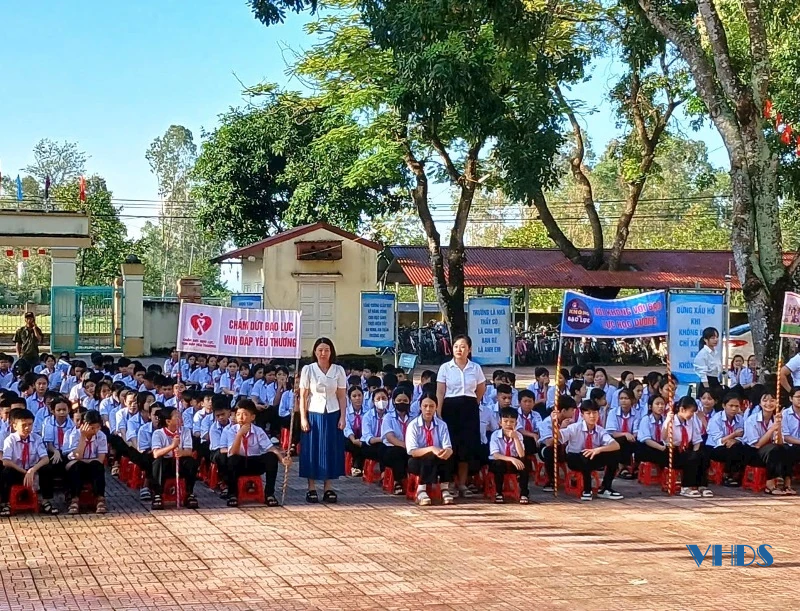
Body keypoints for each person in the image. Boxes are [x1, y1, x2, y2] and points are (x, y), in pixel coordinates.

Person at [436, 335, 486, 497]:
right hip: (450, 408)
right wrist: (439, 412)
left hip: (469, 409)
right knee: (451, 446)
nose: (459, 349)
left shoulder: (475, 368)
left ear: (469, 349)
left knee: (467, 448)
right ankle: (449, 483)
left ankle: (463, 484)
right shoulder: (445, 368)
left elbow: (480, 388)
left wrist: (473, 403)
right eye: (456, 346)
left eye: (463, 346)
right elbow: (441, 391)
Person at [299, 337, 347, 504]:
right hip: (314, 413)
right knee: (312, 449)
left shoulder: (338, 370)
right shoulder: (308, 370)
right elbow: (303, 395)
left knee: (330, 449)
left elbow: (341, 396)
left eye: (326, 350)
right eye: (320, 350)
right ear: (315, 352)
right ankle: (311, 487)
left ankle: (328, 487)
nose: (323, 353)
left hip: (332, 414)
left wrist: (342, 416)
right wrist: (303, 418)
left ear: (331, 352)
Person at [222, 399, 291, 507]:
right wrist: (239, 435)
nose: (240, 418)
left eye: (245, 414)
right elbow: (233, 451)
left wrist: (282, 459)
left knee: (271, 457)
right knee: (232, 459)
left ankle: (269, 494)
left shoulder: (258, 431)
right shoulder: (231, 431)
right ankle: (232, 494)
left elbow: (270, 447)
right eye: (238, 414)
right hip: (239, 463)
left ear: (252, 417)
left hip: (254, 462)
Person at [559, 401, 623, 501]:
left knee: (614, 453)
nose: (592, 416)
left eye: (595, 413)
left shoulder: (600, 430)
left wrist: (598, 449)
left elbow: (615, 445)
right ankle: (586, 489)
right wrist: (554, 422)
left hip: (592, 457)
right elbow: (559, 436)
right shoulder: (575, 427)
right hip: (575, 458)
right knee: (585, 455)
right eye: (588, 413)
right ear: (582, 415)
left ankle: (605, 487)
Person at [0, 407, 57, 515]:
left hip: (32, 471)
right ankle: (5, 503)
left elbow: (45, 459)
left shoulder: (37, 438)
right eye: (24, 425)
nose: (27, 428)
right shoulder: (10, 440)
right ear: (15, 426)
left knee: (47, 468)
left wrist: (32, 470)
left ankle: (46, 501)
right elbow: (6, 461)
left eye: (30, 424)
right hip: (18, 471)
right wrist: (24, 472)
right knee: (6, 471)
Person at [405, 392, 454, 506]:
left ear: (436, 407)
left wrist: (447, 451)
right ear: (420, 407)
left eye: (431, 406)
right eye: (425, 406)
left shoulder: (442, 425)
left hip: (437, 457)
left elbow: (448, 445)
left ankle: (444, 489)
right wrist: (431, 448)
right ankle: (421, 490)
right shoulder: (413, 425)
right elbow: (412, 451)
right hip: (417, 460)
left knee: (448, 457)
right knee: (428, 457)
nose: (428, 409)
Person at [743, 390, 791, 495]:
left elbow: (781, 442)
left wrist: (778, 428)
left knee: (786, 448)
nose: (768, 404)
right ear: (760, 403)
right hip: (753, 453)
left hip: (772, 451)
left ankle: (787, 484)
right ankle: (769, 485)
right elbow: (757, 444)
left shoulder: (776, 419)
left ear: (776, 403)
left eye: (772, 400)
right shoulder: (752, 420)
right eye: (765, 401)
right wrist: (771, 429)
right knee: (774, 449)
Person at [150, 406, 198, 510]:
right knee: (158, 462)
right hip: (166, 464)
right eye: (177, 416)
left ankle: (189, 493)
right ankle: (158, 494)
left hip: (180, 462)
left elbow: (189, 451)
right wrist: (172, 446)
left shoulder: (185, 431)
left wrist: (182, 452)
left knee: (191, 462)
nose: (180, 418)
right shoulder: (158, 433)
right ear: (168, 421)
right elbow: (156, 453)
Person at [662, 396, 710, 498]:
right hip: (673, 451)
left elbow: (697, 440)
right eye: (691, 411)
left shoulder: (691, 421)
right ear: (682, 409)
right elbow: (663, 437)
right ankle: (686, 487)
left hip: (687, 449)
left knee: (702, 455)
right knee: (690, 457)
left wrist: (696, 452)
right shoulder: (671, 420)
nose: (692, 415)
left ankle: (701, 485)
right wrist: (667, 422)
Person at [64, 410, 108, 514]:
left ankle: (100, 499)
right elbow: (77, 456)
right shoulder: (74, 434)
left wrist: (86, 461)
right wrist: (83, 437)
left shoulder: (101, 436)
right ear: (84, 425)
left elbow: (100, 459)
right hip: (76, 465)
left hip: (92, 465)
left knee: (97, 466)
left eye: (98, 427)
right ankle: (74, 499)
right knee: (78, 466)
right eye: (92, 428)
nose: (95, 430)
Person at [489, 406, 530, 504]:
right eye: (505, 421)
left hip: (514, 462)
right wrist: (511, 459)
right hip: (500, 461)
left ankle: (524, 493)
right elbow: (495, 454)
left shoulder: (518, 435)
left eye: (511, 422)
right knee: (498, 464)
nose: (508, 424)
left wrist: (515, 438)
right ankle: (499, 492)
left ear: (516, 423)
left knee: (525, 463)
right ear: (500, 422)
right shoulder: (495, 435)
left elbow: (521, 454)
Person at [703, 392, 745, 487]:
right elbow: (719, 441)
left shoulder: (740, 419)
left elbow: (743, 435)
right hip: (714, 447)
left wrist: (736, 440)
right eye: (731, 405)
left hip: (732, 445)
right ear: (724, 405)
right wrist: (733, 435)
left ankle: (736, 474)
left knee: (741, 448)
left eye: (736, 406)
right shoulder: (716, 419)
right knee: (733, 450)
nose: (734, 409)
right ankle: (728, 475)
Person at [537, 397, 577, 492]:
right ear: (563, 410)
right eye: (572, 410)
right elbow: (549, 443)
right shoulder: (547, 422)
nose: (573, 413)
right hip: (547, 448)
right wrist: (561, 430)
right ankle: (550, 480)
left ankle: (575, 477)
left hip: (565, 447)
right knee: (550, 451)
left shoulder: (570, 421)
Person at [381, 388, 413, 495]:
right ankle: (397, 482)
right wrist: (406, 446)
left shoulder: (414, 417)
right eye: (399, 401)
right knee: (397, 452)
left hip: (411, 448)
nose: (402, 403)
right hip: (391, 448)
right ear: (394, 401)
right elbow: (390, 437)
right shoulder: (388, 417)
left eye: (405, 401)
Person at [604, 388, 639, 479]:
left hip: (631, 439)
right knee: (622, 440)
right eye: (621, 398)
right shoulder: (613, 413)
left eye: (626, 398)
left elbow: (636, 431)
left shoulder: (636, 414)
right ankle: (623, 467)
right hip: (616, 439)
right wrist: (625, 434)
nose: (623, 401)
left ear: (632, 400)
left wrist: (631, 436)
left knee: (638, 442)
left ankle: (635, 466)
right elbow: (612, 432)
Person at [343, 385, 368, 477]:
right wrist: (353, 439)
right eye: (354, 396)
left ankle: (358, 466)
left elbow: (368, 428)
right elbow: (347, 428)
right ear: (350, 398)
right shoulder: (346, 411)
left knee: (364, 445)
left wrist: (362, 439)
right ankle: (356, 466)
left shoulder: (368, 411)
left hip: (363, 436)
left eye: (359, 395)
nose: (357, 398)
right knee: (351, 444)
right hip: (350, 437)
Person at [694, 327, 722, 396]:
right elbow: (703, 374)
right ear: (705, 340)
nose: (716, 340)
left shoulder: (715, 353)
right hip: (707, 383)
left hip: (716, 381)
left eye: (717, 337)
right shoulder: (702, 354)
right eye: (713, 338)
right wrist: (707, 389)